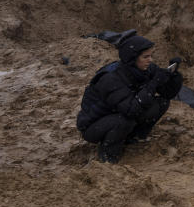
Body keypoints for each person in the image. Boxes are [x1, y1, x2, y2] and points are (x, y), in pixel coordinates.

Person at [76, 35, 183, 163]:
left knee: (161, 103)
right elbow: (131, 110)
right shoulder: (111, 78)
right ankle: (108, 155)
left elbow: (167, 93)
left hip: (119, 114)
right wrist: (153, 83)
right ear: (133, 58)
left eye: (150, 56)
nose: (150, 60)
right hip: (93, 127)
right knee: (124, 121)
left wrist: (174, 76)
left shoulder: (145, 69)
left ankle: (133, 138)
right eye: (145, 57)